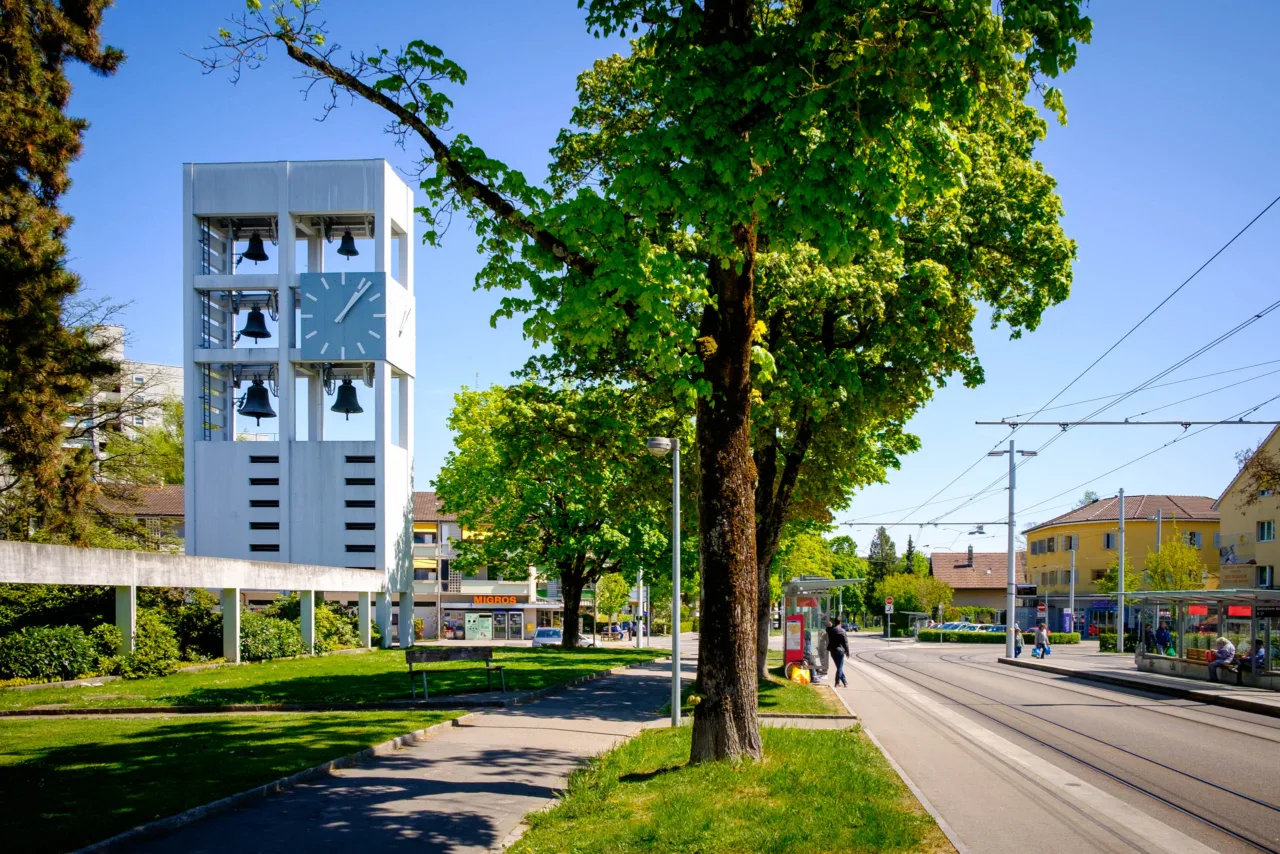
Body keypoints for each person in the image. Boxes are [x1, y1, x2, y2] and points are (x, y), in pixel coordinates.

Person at [826, 615, 850, 688]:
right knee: (839, 667)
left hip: (832, 651)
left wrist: (830, 625)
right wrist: (847, 652)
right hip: (840, 651)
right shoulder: (843, 631)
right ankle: (837, 682)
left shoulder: (831, 630)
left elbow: (828, 628)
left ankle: (845, 682)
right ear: (840, 622)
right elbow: (845, 643)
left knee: (839, 667)